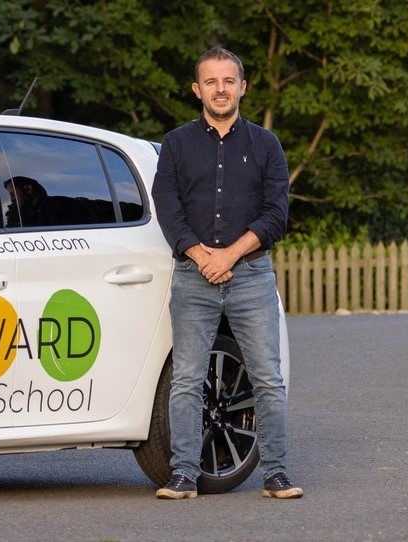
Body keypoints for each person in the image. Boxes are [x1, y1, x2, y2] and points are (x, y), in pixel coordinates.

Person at [150, 46, 301, 499]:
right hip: (192, 277)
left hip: (251, 277)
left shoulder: (266, 145)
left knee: (267, 378)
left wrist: (229, 255)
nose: (221, 89)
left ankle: (275, 474)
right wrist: (201, 256)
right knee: (186, 379)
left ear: (242, 87)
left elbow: (276, 214)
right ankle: (183, 475)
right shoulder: (176, 144)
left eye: (229, 81)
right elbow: (168, 208)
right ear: (198, 89)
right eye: (211, 82)